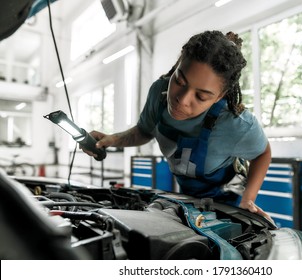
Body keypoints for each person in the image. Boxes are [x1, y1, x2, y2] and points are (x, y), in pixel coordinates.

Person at [83, 30, 273, 223]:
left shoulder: (236, 123)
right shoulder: (159, 94)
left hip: (229, 205)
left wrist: (249, 199)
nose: (182, 100)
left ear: (220, 96)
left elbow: (262, 153)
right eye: (179, 81)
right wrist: (111, 139)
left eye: (201, 96)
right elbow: (144, 131)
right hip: (188, 199)